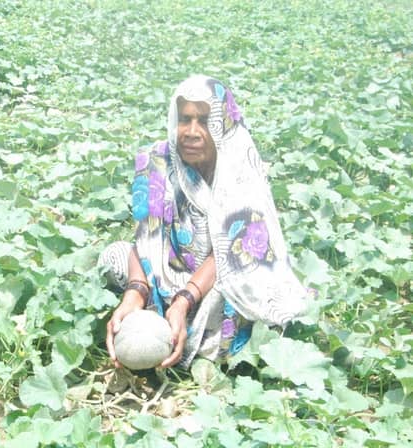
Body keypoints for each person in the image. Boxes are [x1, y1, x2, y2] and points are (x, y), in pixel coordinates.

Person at [101, 75, 311, 369]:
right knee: (114, 257)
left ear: (223, 125)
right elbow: (145, 240)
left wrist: (184, 300)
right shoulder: (157, 161)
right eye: (184, 120)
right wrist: (135, 292)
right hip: (167, 273)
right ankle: (158, 320)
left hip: (218, 277)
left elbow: (232, 252)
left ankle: (179, 326)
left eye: (204, 121)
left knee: (233, 301)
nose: (191, 132)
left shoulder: (239, 169)